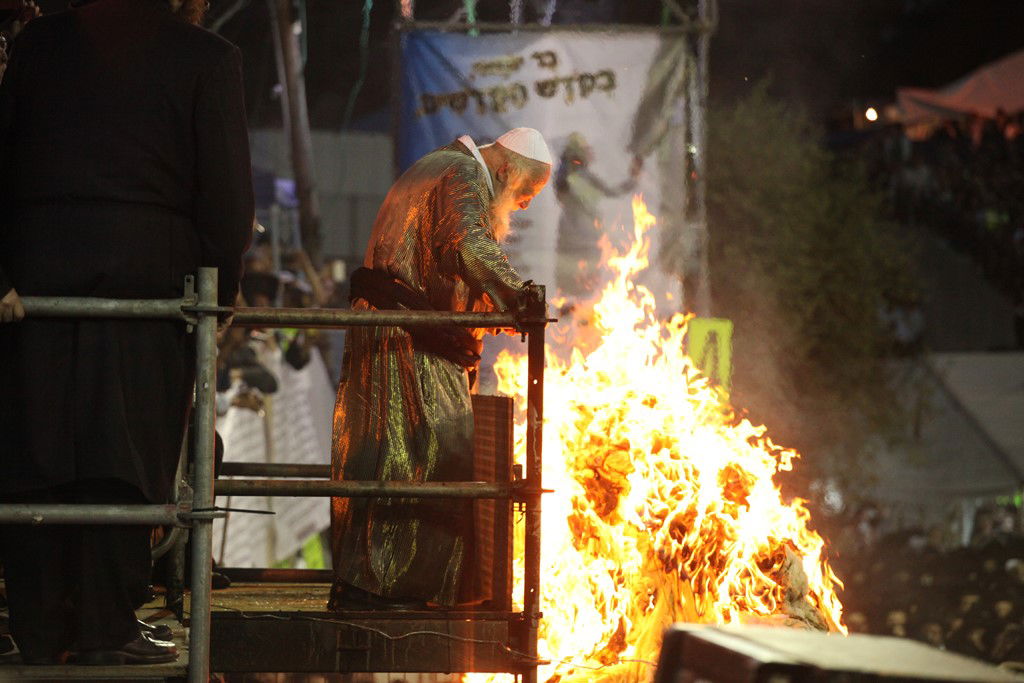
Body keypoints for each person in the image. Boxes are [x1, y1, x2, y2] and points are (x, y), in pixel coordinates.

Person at [0, 0, 253, 665]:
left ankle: (40, 626)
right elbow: (226, 198)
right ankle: (105, 627)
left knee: (37, 448)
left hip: (37, 272)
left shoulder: (37, 46)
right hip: (145, 278)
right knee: (124, 452)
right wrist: (218, 293)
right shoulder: (207, 58)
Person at [328, 128, 551, 610]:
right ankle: (391, 588)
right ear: (507, 170)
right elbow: (468, 244)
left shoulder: (437, 165)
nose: (524, 207)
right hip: (410, 338)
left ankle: (371, 585)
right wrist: (518, 295)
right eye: (527, 194)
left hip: (398, 330)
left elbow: (444, 256)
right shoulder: (465, 172)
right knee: (437, 456)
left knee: (389, 453)